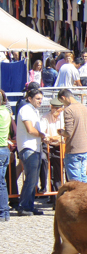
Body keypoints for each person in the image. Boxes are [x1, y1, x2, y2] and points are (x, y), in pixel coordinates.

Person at [16, 88, 45, 216]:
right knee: (31, 179)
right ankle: (23, 206)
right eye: (38, 99)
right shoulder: (26, 110)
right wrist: (43, 135)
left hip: (35, 146)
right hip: (28, 147)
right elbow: (30, 129)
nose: (40, 101)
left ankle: (29, 205)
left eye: (41, 99)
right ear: (29, 98)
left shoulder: (33, 110)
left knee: (33, 180)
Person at [56, 89, 87, 183]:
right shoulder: (85, 108)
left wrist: (62, 132)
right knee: (83, 176)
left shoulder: (68, 110)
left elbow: (69, 132)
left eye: (61, 101)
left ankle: (78, 197)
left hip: (73, 149)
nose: (63, 104)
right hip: (85, 147)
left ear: (63, 98)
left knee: (75, 180)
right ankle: (85, 197)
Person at [0, 89, 11, 221]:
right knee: (2, 183)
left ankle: (3, 212)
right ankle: (4, 212)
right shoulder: (6, 112)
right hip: (4, 149)